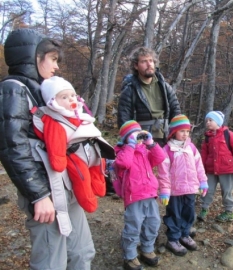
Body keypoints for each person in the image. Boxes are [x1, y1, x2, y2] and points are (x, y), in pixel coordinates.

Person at [0, 29, 95, 269]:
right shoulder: (13, 89)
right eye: (52, 59)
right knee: (51, 262)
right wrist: (38, 196)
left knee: (82, 252)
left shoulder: (41, 92)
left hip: (66, 187)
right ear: (34, 56)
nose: (56, 66)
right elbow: (13, 148)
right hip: (46, 193)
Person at [35, 76, 114, 213]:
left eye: (72, 95)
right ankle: (88, 201)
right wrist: (58, 160)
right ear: (53, 101)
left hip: (91, 149)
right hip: (75, 154)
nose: (71, 99)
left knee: (98, 169)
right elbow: (55, 142)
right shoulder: (54, 121)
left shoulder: (80, 115)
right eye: (64, 97)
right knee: (81, 177)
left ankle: (100, 188)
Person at [113, 120, 166, 270]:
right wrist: (129, 145)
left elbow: (160, 158)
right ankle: (130, 256)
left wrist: (150, 142)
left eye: (139, 135)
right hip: (134, 196)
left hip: (150, 194)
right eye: (134, 136)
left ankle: (147, 249)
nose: (138, 139)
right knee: (134, 225)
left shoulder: (144, 150)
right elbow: (123, 164)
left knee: (153, 222)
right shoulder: (122, 152)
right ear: (126, 138)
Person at [157, 114, 208, 256]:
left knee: (189, 212)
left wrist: (203, 182)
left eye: (187, 131)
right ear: (174, 132)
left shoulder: (191, 148)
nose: (185, 134)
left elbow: (199, 166)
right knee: (174, 214)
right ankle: (173, 238)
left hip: (190, 188)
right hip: (174, 190)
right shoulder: (167, 150)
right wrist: (165, 191)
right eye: (182, 131)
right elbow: (163, 173)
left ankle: (185, 234)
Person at [117, 47, 181, 146]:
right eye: (144, 61)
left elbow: (175, 111)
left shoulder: (164, 87)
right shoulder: (129, 90)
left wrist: (176, 135)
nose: (149, 64)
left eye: (151, 60)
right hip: (141, 141)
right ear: (136, 65)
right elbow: (124, 120)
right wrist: (133, 140)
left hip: (165, 139)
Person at [197, 111, 233, 223]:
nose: (208, 123)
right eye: (206, 121)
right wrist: (201, 170)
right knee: (207, 189)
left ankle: (229, 212)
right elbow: (204, 154)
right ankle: (204, 209)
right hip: (210, 169)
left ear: (218, 122)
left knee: (226, 191)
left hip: (226, 169)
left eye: (210, 120)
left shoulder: (229, 135)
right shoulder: (207, 137)